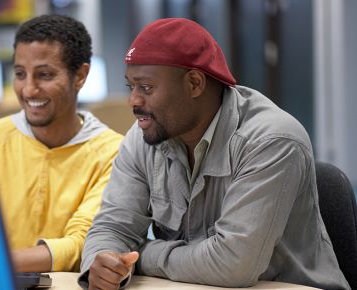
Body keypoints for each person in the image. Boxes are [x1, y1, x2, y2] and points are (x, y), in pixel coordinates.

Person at [79, 18, 350, 290]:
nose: (133, 101)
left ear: (195, 83)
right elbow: (111, 228)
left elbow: (233, 264)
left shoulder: (270, 140)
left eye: (146, 88)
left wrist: (141, 256)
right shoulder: (143, 138)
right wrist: (103, 263)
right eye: (131, 87)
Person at [0, 14, 123, 273]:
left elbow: (84, 242)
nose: (28, 89)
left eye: (44, 75)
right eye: (20, 74)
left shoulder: (113, 152)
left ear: (80, 76)